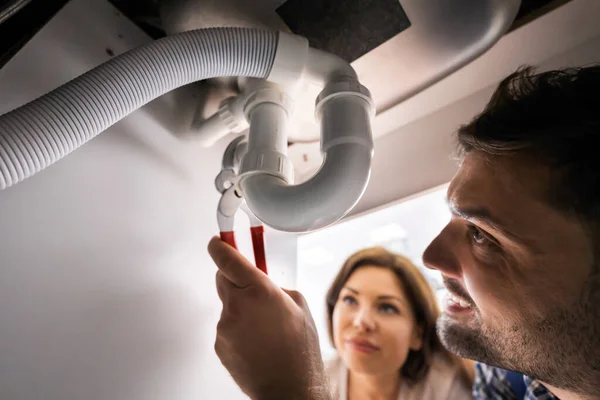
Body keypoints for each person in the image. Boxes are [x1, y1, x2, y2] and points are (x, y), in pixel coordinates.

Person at [210, 65, 600, 400]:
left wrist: (289, 390)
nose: (432, 257)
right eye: (349, 300)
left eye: (484, 235)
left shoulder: (456, 385)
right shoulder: (512, 381)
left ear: (417, 333)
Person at [323, 247, 472, 399]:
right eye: (350, 299)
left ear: (417, 335)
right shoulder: (310, 381)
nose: (361, 321)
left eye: (387, 308)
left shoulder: (445, 389)